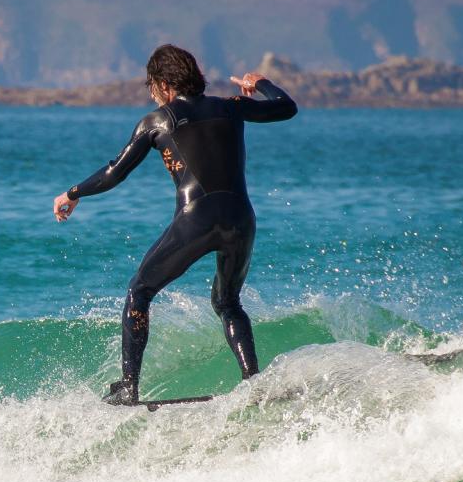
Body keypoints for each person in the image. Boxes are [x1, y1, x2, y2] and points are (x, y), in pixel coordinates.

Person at [52, 44, 297, 405]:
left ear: (165, 84)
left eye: (152, 86)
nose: (152, 94)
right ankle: (253, 382)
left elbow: (114, 172)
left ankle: (128, 387)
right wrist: (260, 82)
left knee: (139, 291)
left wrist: (73, 193)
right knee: (228, 302)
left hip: (197, 218)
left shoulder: (157, 120)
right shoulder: (231, 107)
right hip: (241, 219)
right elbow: (286, 107)